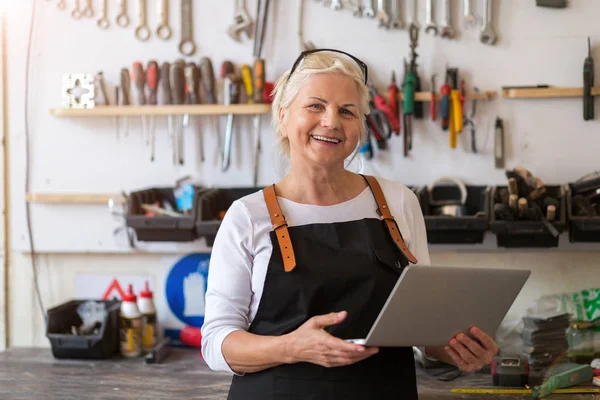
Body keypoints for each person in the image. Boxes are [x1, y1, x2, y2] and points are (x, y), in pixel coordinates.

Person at [201, 49, 499, 399]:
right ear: (283, 116)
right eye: (315, 106)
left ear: (361, 126)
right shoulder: (247, 216)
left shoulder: (398, 202)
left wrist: (455, 348)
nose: (331, 121)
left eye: (347, 111)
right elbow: (217, 343)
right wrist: (292, 348)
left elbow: (419, 327)